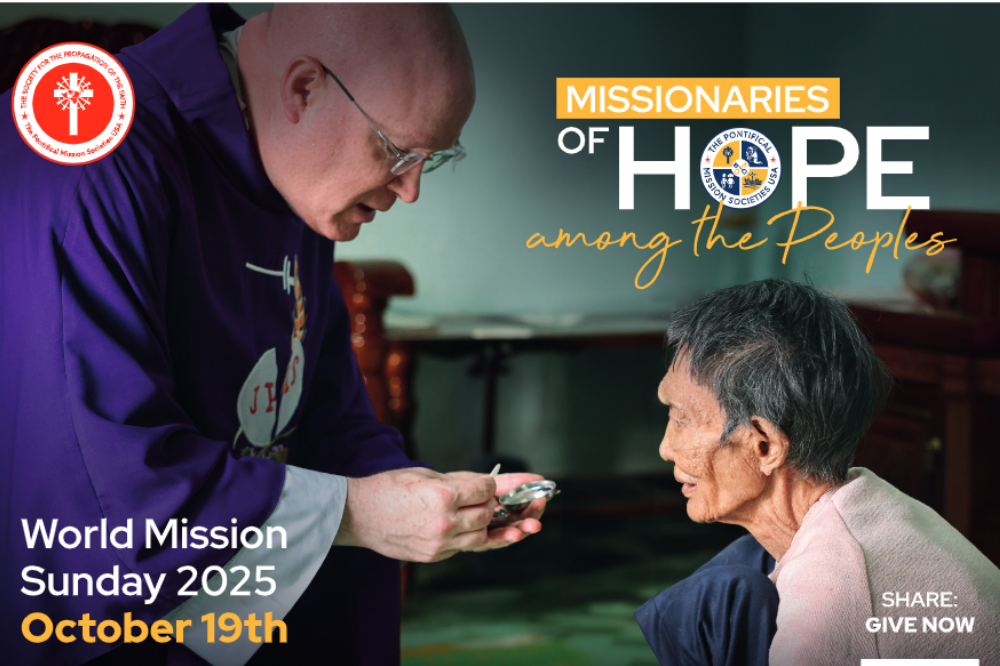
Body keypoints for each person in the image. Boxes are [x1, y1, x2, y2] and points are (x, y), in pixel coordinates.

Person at [0, 4, 544, 665]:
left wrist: (429, 499)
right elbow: (101, 487)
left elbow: (324, 415)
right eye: (397, 152)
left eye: (437, 158)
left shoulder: (286, 169)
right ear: (303, 87)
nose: (411, 191)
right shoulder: (86, 144)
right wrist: (363, 513)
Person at [635, 279, 1000, 665]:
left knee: (713, 601)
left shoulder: (830, 589)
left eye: (681, 420)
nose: (665, 448)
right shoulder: (867, 504)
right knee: (742, 566)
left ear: (766, 446)